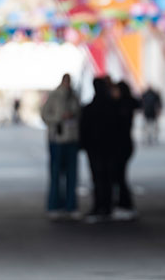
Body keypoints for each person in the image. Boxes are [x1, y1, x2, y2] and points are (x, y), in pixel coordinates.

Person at [40, 74, 81, 220]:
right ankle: (54, 205)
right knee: (56, 174)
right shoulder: (54, 96)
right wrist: (59, 118)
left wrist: (72, 115)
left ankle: (71, 206)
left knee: (72, 175)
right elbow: (44, 115)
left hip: (72, 139)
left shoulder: (75, 97)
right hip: (57, 139)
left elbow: (79, 114)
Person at [80, 77, 117, 222]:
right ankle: (106, 206)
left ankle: (99, 206)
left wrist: (83, 145)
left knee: (97, 178)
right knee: (107, 177)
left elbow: (84, 129)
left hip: (94, 148)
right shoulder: (112, 107)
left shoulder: (90, 108)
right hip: (108, 148)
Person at [112, 81, 141, 220]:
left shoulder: (120, 105)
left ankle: (125, 204)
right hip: (126, 144)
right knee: (120, 176)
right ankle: (124, 203)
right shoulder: (129, 103)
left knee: (120, 177)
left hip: (120, 145)